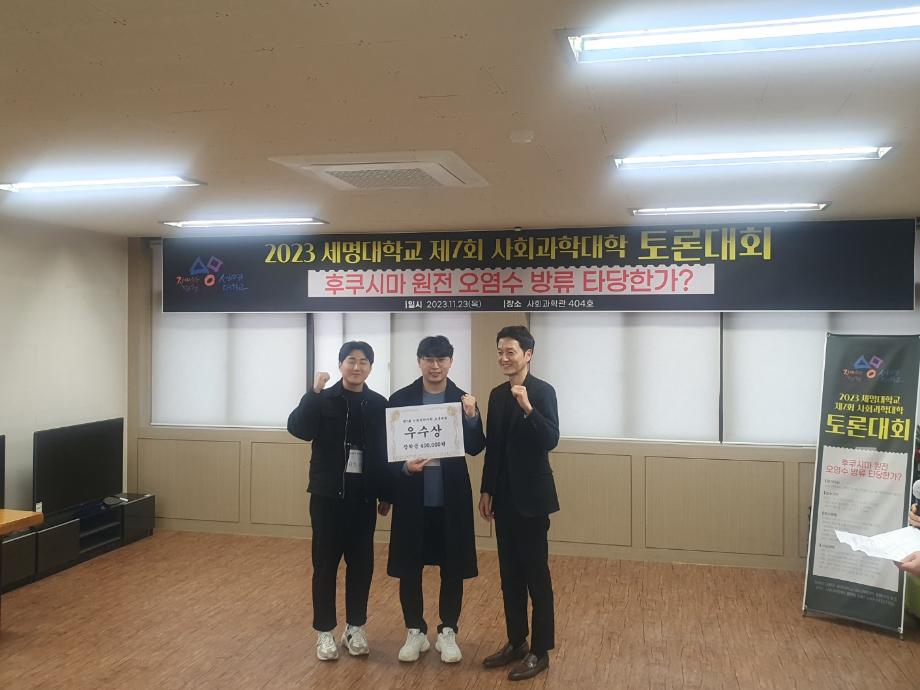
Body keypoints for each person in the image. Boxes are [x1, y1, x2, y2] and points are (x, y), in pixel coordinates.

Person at [287, 341, 391, 661]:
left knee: (361, 566)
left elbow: (386, 451)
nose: (356, 367)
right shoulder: (323, 399)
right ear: (340, 365)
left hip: (363, 498)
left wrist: (386, 493)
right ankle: (324, 632)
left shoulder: (379, 404)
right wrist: (313, 393)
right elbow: (299, 429)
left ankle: (355, 628)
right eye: (350, 360)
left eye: (363, 361)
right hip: (327, 497)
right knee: (325, 566)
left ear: (370, 367)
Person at [387, 335, 486, 663]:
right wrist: (404, 467)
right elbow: (388, 451)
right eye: (428, 359)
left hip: (450, 499)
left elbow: (476, 446)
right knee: (409, 567)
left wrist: (471, 417)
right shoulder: (400, 399)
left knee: (452, 567)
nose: (435, 365)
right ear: (419, 361)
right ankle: (414, 630)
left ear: (450, 362)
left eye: (441, 359)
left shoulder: (462, 399)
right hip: (412, 498)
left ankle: (448, 631)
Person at [479, 325, 560, 681]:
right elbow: (493, 449)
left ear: (528, 354)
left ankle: (540, 651)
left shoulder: (542, 392)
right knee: (509, 576)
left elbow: (551, 439)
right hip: (505, 499)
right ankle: (516, 641)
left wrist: (528, 408)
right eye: (500, 352)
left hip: (533, 500)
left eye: (510, 352)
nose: (503, 358)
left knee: (536, 576)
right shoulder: (497, 395)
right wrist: (486, 490)